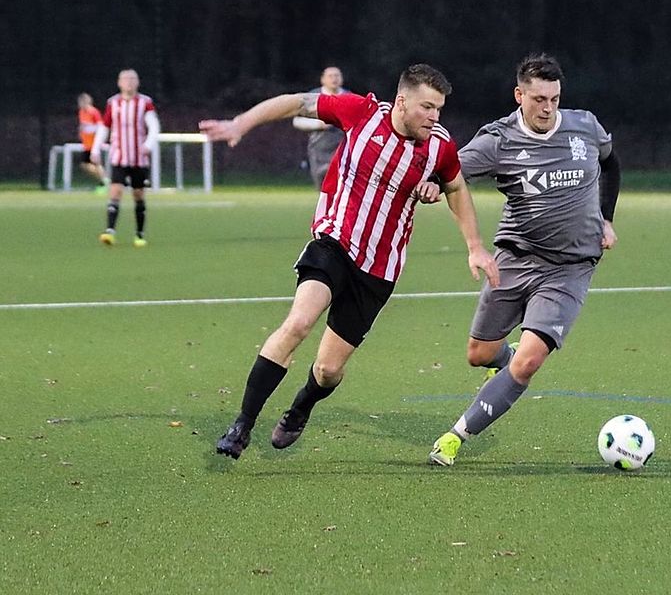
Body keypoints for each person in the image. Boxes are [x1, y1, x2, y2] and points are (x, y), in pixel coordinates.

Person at [198, 63, 500, 460]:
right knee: (299, 322)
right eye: (427, 107)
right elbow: (295, 103)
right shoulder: (361, 112)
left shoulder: (439, 146)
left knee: (327, 371)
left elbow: (456, 186)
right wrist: (241, 123)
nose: (434, 116)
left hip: (379, 269)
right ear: (402, 100)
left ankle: (301, 407)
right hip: (334, 243)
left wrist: (474, 245)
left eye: (439, 109)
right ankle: (242, 425)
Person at [428, 53, 623, 466]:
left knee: (529, 361)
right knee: (479, 355)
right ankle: (506, 355)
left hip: (571, 267)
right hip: (515, 259)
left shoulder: (584, 127)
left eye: (553, 98)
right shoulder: (499, 140)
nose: (547, 108)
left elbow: (611, 164)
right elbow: (451, 171)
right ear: (519, 95)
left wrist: (606, 218)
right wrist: (430, 182)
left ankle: (455, 436)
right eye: (538, 99)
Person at [91, 69, 160, 248]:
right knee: (115, 191)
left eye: (132, 79)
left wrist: (148, 144)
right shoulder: (112, 103)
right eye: (125, 79)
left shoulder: (145, 103)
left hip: (139, 158)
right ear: (119, 83)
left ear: (138, 83)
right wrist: (96, 148)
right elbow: (105, 127)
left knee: (138, 195)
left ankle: (139, 234)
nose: (129, 82)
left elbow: (154, 126)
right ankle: (110, 232)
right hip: (119, 156)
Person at [292, 66, 348, 191]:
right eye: (330, 76)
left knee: (343, 186)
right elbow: (297, 121)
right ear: (323, 79)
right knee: (323, 187)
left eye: (337, 76)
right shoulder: (313, 97)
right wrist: (318, 124)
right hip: (319, 149)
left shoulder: (348, 97)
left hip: (344, 149)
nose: (334, 79)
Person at [76, 93, 109, 192]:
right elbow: (83, 126)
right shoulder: (81, 112)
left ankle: (104, 181)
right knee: (89, 165)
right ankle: (104, 180)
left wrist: (98, 141)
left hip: (93, 144)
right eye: (80, 102)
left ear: (88, 102)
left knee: (90, 164)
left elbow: (101, 127)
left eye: (83, 102)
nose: (81, 104)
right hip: (86, 144)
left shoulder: (94, 112)